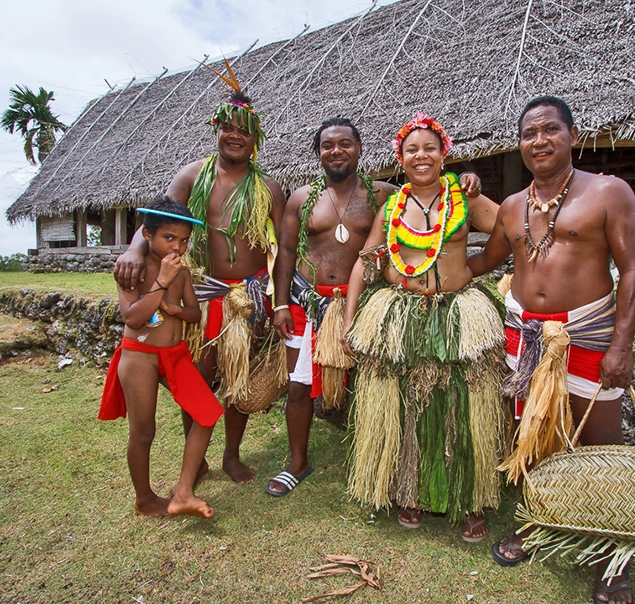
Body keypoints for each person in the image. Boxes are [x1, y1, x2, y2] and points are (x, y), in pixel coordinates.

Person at [467, 96, 635, 604]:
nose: (539, 140)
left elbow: (633, 269)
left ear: (572, 135)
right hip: (523, 336)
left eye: (550, 130)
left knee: (600, 447)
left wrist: (622, 344)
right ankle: (535, 522)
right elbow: (487, 261)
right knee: (531, 436)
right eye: (529, 133)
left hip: (587, 334)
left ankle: (611, 558)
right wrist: (425, 273)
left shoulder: (609, 192)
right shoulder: (512, 207)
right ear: (519, 144)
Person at [268, 117, 482, 497]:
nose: (337, 150)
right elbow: (286, 251)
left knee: (366, 383)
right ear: (318, 153)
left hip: (361, 300)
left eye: (345, 143)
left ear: (360, 149)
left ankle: (368, 456)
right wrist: (281, 301)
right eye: (327, 145)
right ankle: (297, 462)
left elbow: (428, 189)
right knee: (299, 386)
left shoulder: (383, 194)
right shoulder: (301, 198)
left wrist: (466, 178)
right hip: (308, 301)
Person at [341, 113, 503, 543]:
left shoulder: (464, 198)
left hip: (458, 315)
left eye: (429, 147)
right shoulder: (393, 206)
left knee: (462, 405)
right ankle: (408, 489)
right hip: (399, 314)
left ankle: (468, 498)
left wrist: (477, 267)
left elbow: (512, 228)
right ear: (401, 157)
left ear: (443, 152)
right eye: (411, 149)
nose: (421, 155)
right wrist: (348, 319)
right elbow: (366, 258)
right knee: (405, 404)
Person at [114, 88, 285, 484]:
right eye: (228, 126)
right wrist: (135, 251)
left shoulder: (269, 188)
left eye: (244, 129)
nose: (235, 135)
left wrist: (277, 301)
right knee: (198, 375)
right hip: (204, 292)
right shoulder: (193, 174)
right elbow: (158, 218)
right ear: (217, 128)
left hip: (247, 295)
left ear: (256, 136)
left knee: (238, 376)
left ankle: (231, 455)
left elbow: (285, 247)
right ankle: (198, 459)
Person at [100, 196, 224, 518]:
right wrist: (161, 283)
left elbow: (195, 314)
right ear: (147, 235)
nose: (177, 247)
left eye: (183, 240)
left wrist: (174, 309)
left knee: (206, 413)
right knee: (143, 431)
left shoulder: (181, 273)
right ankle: (144, 499)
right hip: (139, 353)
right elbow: (132, 318)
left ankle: (184, 491)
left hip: (175, 355)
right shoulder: (134, 269)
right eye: (169, 238)